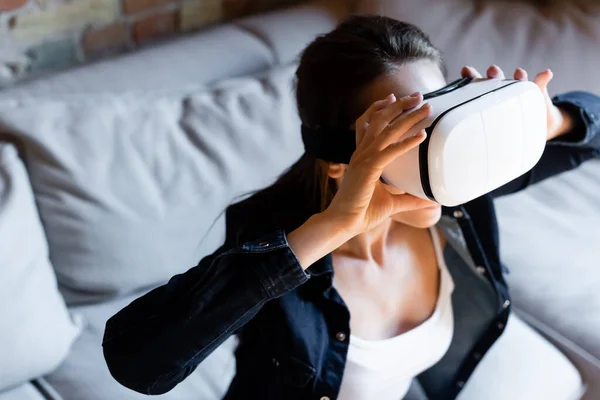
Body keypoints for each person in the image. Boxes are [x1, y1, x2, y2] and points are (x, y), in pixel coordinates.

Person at [102, 15, 600, 400]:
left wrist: (544, 119)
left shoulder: (456, 193)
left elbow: (593, 126)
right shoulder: (273, 232)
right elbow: (136, 362)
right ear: (341, 161)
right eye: (405, 133)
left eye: (440, 117)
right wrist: (334, 226)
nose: (438, 149)